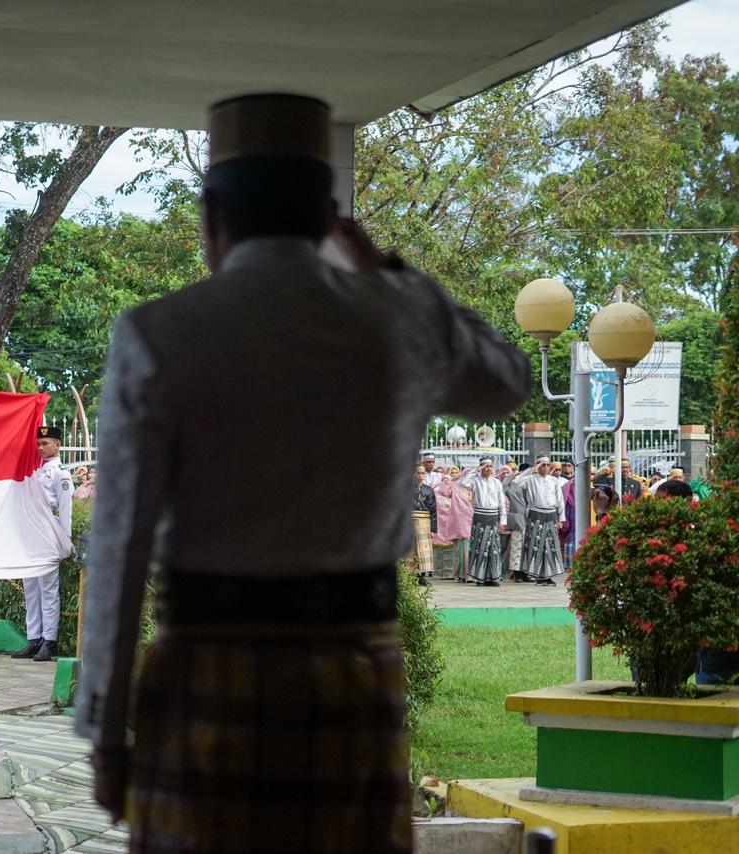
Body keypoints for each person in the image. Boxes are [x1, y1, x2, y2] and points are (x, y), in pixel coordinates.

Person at [77, 93, 530, 852]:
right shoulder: (397, 320)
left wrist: (106, 730)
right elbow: (507, 381)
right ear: (331, 221)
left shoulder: (157, 334)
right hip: (351, 676)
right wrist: (387, 266)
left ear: (209, 219)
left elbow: (118, 546)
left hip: (203, 674)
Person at [12, 425, 73, 662]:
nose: (40, 447)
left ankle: (49, 641)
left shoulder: (61, 472)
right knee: (31, 589)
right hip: (31, 535)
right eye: (38, 443)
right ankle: (33, 638)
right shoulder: (34, 469)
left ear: (57, 445)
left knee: (48, 590)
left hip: (49, 534)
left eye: (45, 443)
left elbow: (65, 510)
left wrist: (64, 541)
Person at [517, 455, 566, 586]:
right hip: (536, 515)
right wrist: (532, 469)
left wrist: (561, 519)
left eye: (547, 465)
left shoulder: (554, 481)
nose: (545, 467)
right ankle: (538, 576)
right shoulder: (530, 479)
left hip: (551, 515)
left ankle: (548, 576)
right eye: (542, 465)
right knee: (536, 545)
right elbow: (516, 482)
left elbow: (560, 500)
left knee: (550, 546)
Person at [461, 457, 506, 586]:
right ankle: (479, 578)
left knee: (494, 548)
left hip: (493, 517)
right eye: (485, 466)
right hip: (480, 517)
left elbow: (501, 502)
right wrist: (476, 470)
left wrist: (502, 521)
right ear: (480, 467)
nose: (488, 469)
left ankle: (492, 577)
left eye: (490, 466)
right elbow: (463, 483)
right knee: (479, 547)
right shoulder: (475, 481)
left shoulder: (497, 482)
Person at [433, 468, 473, 581]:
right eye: (445, 482)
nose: (447, 485)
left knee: (463, 551)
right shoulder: (438, 494)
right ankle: (456, 574)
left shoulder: (464, 491)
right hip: (452, 527)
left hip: (466, 525)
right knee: (455, 551)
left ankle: (463, 574)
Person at [410, 465, 436, 584]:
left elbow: (433, 510)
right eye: (418, 473)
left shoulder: (429, 490)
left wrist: (433, 528)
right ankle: (409, 575)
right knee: (411, 550)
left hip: (424, 522)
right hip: (410, 521)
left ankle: (421, 576)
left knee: (423, 550)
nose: (420, 476)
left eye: (422, 473)